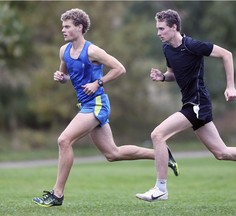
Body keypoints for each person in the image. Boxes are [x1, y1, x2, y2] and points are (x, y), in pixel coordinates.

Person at [32, 8, 179, 207]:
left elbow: (120, 68)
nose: (63, 30)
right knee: (113, 154)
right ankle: (162, 154)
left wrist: (98, 83)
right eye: (63, 26)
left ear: (80, 28)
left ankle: (57, 194)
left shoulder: (92, 51)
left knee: (64, 140)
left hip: (97, 104)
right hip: (85, 104)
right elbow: (67, 77)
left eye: (67, 26)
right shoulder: (63, 51)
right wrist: (61, 78)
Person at [136, 9, 236, 202]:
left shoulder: (192, 45)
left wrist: (230, 86)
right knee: (222, 153)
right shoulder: (167, 49)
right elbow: (174, 73)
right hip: (191, 103)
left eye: (162, 29)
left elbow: (226, 54)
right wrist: (163, 77)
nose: (158, 33)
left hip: (198, 103)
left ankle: (160, 188)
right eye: (157, 29)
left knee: (158, 134)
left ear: (174, 27)